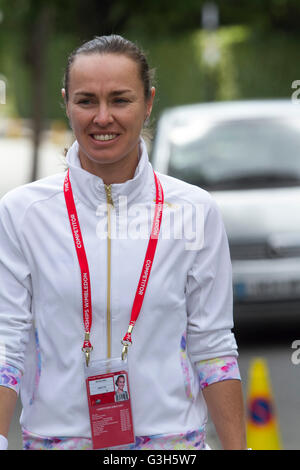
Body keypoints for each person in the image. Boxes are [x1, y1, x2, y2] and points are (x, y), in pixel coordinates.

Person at [0, 34, 247, 451]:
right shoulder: (23, 213)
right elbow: (6, 341)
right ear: (65, 102)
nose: (102, 117)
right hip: (58, 441)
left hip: (172, 446)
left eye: (119, 100)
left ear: (148, 102)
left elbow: (213, 344)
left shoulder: (192, 210)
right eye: (85, 101)